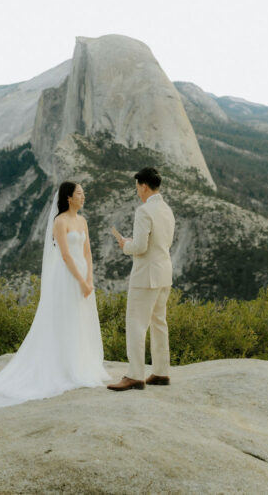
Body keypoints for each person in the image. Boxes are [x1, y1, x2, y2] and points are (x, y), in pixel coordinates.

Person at [0, 181, 109, 408]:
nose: (83, 196)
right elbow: (66, 255)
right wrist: (80, 280)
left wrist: (90, 279)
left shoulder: (83, 221)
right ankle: (64, 366)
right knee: (65, 318)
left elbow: (87, 252)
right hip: (67, 276)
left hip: (83, 275)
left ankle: (79, 363)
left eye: (83, 193)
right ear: (68, 197)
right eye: (79, 193)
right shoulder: (60, 221)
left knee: (79, 318)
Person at [107, 167, 175, 391]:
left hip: (146, 276)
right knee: (159, 323)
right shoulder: (167, 210)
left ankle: (135, 375)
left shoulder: (144, 211)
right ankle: (161, 372)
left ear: (144, 186)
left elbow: (141, 247)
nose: (137, 192)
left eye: (137, 187)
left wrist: (125, 245)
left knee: (136, 323)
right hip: (164, 273)